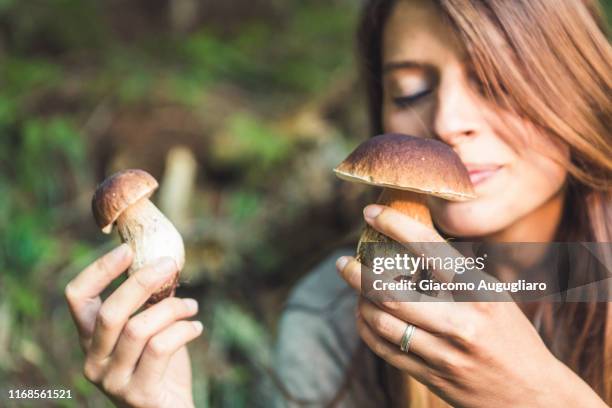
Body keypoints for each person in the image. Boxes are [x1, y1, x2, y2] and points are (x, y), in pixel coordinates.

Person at [65, 0, 612, 407]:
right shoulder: (328, 317)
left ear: (578, 85)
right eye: (411, 93)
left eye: (495, 81)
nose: (447, 123)